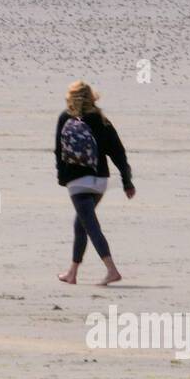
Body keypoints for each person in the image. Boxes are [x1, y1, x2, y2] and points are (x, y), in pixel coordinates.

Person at [55, 81, 134, 285]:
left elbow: (58, 151)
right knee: (81, 223)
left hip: (77, 180)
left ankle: (112, 270)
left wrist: (62, 178)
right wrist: (127, 181)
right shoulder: (102, 120)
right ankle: (72, 273)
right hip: (100, 180)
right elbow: (118, 152)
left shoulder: (65, 118)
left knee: (90, 225)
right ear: (92, 97)